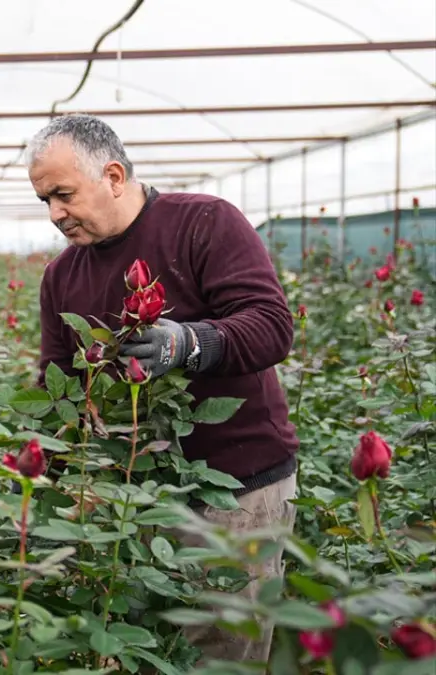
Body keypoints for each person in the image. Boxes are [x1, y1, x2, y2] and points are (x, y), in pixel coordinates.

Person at [24, 114, 299, 665]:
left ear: (113, 176)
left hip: (232, 490)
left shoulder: (203, 223)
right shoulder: (62, 275)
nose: (54, 214)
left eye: (63, 195)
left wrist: (190, 343)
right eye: (44, 200)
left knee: (222, 651)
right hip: (129, 496)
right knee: (138, 647)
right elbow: (59, 380)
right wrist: (39, 476)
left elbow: (272, 324)